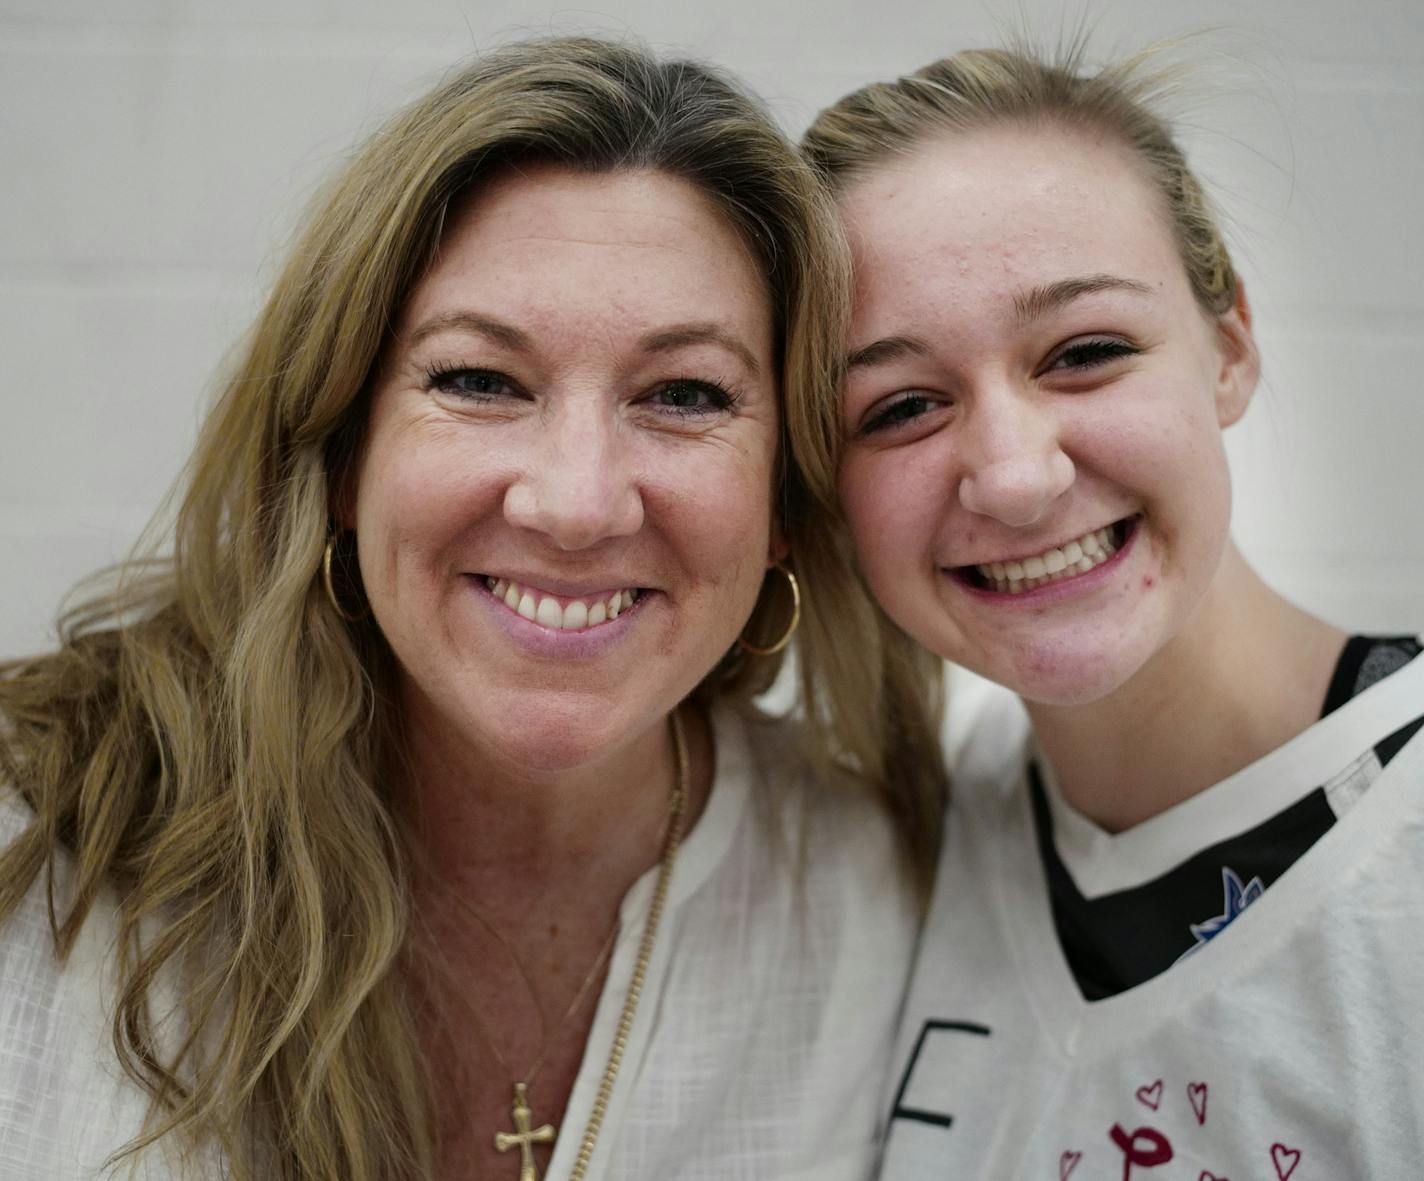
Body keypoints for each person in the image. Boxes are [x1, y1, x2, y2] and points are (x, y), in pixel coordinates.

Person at [0, 37, 941, 1181]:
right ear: (342, 456)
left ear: (784, 500)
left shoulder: (878, 899)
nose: (576, 503)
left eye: (685, 394)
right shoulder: (40, 844)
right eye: (478, 381)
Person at [798, 43, 1424, 1180]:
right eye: (898, 406)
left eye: (1083, 352)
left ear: (1226, 345)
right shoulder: (916, 846)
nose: (1013, 474)